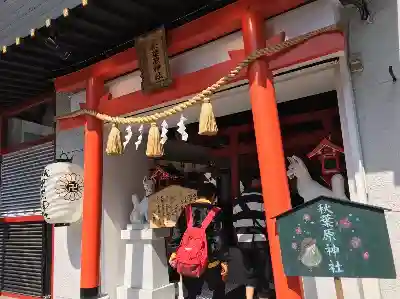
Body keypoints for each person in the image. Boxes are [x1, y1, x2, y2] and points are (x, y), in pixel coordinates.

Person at [169, 181, 228, 299]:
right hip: (211, 261)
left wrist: (174, 252)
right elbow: (219, 237)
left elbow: (177, 233)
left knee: (190, 294)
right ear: (213, 196)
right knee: (218, 289)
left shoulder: (186, 210)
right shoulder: (217, 212)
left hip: (188, 259)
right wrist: (224, 261)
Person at [232, 171, 274, 299]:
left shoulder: (237, 201)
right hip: (259, 240)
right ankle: (263, 297)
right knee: (263, 273)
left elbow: (235, 223)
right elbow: (269, 222)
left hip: (243, 242)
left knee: (249, 272)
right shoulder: (263, 198)